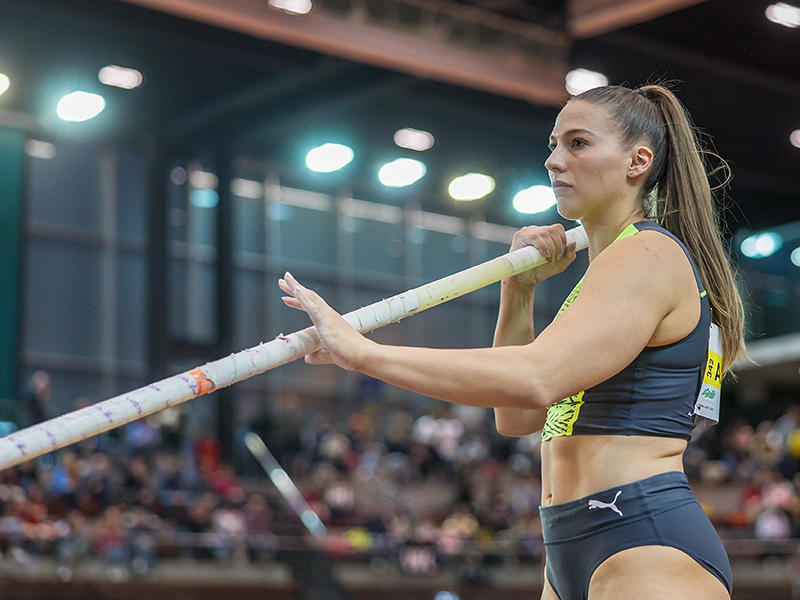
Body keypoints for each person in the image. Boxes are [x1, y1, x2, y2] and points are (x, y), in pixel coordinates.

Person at [278, 84, 746, 600]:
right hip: (568, 543)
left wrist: (363, 352)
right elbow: (515, 417)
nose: (553, 160)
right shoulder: (603, 273)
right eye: (553, 145)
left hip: (641, 539)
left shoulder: (648, 256)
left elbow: (535, 378)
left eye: (577, 144)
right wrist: (517, 291)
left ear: (638, 161)